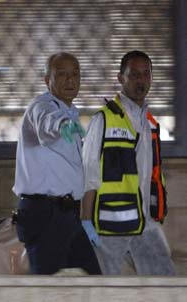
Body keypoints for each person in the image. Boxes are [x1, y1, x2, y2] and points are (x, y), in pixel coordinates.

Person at [81, 50, 176, 275]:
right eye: (134, 74)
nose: (141, 80)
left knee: (164, 282)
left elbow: (148, 176)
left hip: (143, 222)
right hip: (110, 226)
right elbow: (88, 174)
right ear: (120, 78)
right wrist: (86, 220)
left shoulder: (150, 125)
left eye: (146, 74)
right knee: (108, 289)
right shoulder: (103, 120)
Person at [12, 52, 101, 275]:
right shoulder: (41, 107)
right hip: (45, 214)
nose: (70, 80)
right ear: (47, 80)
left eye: (75, 74)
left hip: (67, 215)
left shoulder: (68, 111)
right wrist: (62, 126)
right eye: (61, 74)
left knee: (93, 281)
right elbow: (46, 123)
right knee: (46, 288)